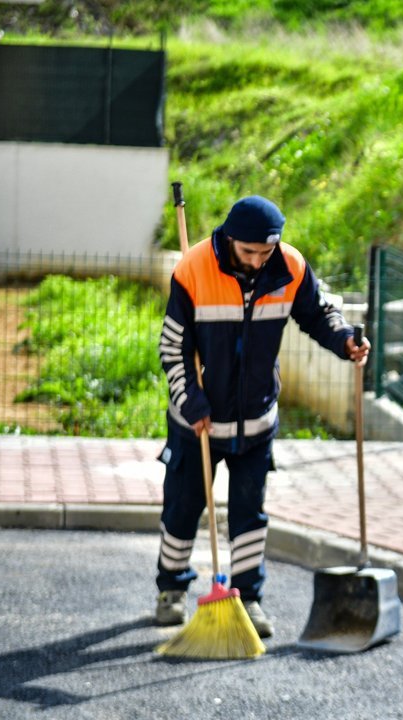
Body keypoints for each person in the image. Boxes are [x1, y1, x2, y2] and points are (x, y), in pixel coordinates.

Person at [153, 195, 369, 637]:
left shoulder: (289, 267)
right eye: (249, 251)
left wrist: (345, 340)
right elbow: (172, 348)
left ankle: (248, 598)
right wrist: (191, 402)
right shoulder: (193, 269)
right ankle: (171, 589)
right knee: (183, 507)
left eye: (265, 252)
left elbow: (318, 314)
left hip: (256, 421)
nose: (257, 260)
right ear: (231, 239)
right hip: (197, 422)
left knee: (250, 514)